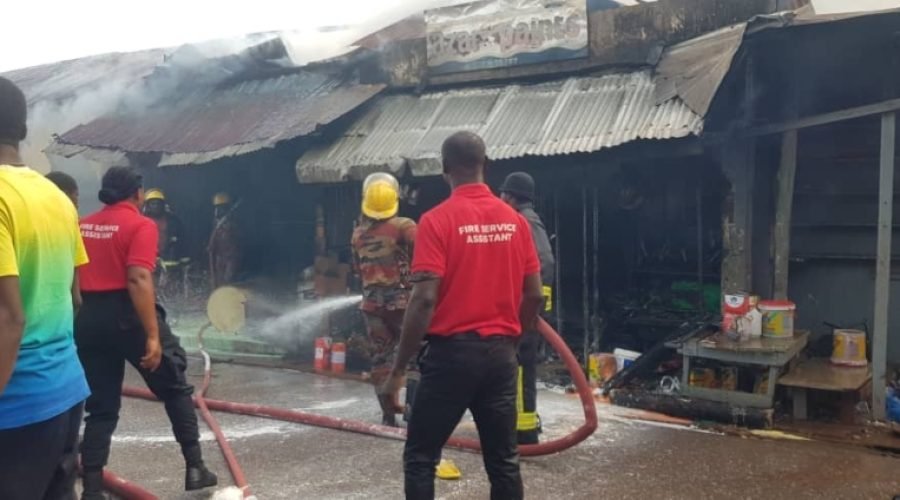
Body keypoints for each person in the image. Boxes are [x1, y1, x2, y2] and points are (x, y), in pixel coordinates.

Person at [383, 131, 544, 500]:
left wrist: (397, 371)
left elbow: (423, 300)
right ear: (485, 165)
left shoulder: (436, 221)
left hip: (451, 358)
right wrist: (512, 341)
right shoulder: (515, 222)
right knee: (504, 462)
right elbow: (533, 294)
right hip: (501, 357)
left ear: (444, 169)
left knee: (421, 457)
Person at [76, 167, 217, 498]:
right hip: (128, 314)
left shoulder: (83, 225)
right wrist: (153, 336)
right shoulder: (141, 225)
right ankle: (195, 467)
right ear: (137, 194)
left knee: (101, 407)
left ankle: (92, 490)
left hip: (89, 317)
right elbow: (138, 278)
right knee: (175, 384)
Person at [0, 76, 90, 500]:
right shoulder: (56, 197)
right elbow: (74, 299)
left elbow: (10, 317)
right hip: (67, 392)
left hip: (15, 406)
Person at [351, 173, 417, 427]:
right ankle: (412, 410)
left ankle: (388, 414)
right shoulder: (405, 227)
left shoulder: (358, 234)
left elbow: (358, 269)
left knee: (381, 357)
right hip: (403, 304)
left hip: (372, 305)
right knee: (416, 354)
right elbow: (426, 254)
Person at [499, 172, 556, 445]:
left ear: (510, 197)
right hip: (527, 306)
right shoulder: (525, 219)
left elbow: (544, 262)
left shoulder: (524, 221)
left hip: (527, 308)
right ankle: (520, 422)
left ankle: (524, 431)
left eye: (503, 195)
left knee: (521, 366)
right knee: (518, 365)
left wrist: (531, 302)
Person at [143, 188, 190, 294]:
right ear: (148, 206)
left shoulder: (174, 221)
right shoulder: (141, 221)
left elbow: (183, 239)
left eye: (158, 203)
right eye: (152, 203)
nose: (155, 206)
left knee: (169, 288)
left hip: (170, 259)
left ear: (163, 205)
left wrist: (184, 259)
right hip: (149, 259)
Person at [207, 192, 241, 289]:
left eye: (221, 208)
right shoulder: (215, 222)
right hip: (219, 256)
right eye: (216, 208)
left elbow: (237, 240)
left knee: (228, 279)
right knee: (218, 279)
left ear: (226, 208)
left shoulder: (234, 222)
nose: (217, 210)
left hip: (231, 256)